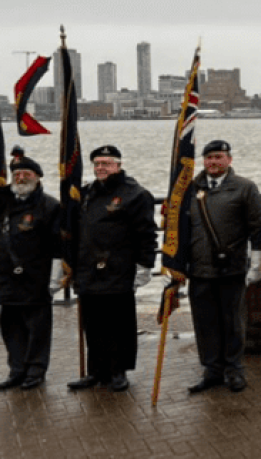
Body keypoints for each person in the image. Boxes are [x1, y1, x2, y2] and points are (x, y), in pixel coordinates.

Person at [68, 145, 157, 392]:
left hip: (119, 269)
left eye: (106, 163)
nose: (101, 168)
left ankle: (118, 371)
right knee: (93, 324)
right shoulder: (86, 193)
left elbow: (146, 233)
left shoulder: (135, 194)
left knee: (119, 324)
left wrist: (145, 266)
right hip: (88, 269)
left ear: (118, 165)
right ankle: (96, 371)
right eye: (97, 164)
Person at [185, 140, 261, 394]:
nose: (213, 162)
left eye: (218, 157)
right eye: (209, 157)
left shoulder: (244, 188)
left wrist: (256, 264)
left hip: (231, 268)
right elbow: (179, 229)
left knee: (232, 322)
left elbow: (258, 228)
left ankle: (234, 369)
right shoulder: (189, 189)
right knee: (204, 322)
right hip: (199, 269)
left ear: (229, 160)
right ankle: (211, 369)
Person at [0, 151, 62, 390]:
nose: (20, 178)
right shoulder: (1, 205)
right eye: (16, 174)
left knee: (37, 329)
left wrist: (55, 279)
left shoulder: (50, 206)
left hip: (35, 278)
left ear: (38, 177)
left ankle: (35, 370)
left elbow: (58, 246)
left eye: (26, 174)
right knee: (10, 327)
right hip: (7, 278)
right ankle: (17, 370)